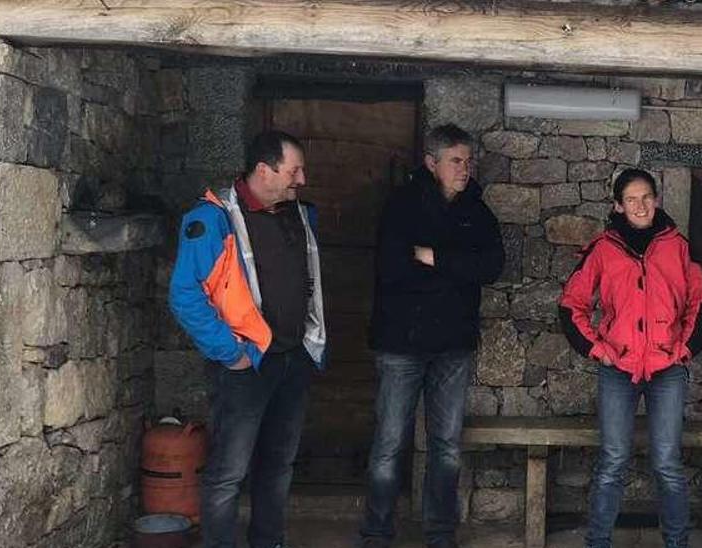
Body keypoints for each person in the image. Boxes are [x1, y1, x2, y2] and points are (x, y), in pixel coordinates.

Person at [168, 130, 326, 548]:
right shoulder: (212, 219)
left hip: (292, 361)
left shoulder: (298, 214)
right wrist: (230, 353)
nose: (302, 180)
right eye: (294, 170)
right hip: (245, 365)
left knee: (278, 466)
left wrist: (310, 347)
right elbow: (186, 297)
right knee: (228, 473)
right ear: (264, 170)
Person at [359, 124, 505, 548]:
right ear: (431, 163)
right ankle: (376, 533)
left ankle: (440, 534)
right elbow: (393, 269)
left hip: (453, 345)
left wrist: (433, 257)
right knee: (389, 444)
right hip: (401, 343)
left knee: (446, 446)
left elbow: (492, 267)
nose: (465, 169)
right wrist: (459, 267)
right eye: (456, 161)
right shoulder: (402, 206)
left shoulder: (476, 209)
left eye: (468, 160)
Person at [559, 168, 702, 548]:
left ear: (657, 199)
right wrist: (598, 349)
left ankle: (677, 543)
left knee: (667, 463)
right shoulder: (603, 249)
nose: (641, 205)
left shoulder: (677, 246)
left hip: (666, 369)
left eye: (646, 197)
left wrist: (683, 349)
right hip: (619, 369)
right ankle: (598, 542)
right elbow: (571, 305)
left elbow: (701, 301)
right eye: (631, 199)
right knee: (612, 461)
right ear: (618, 205)